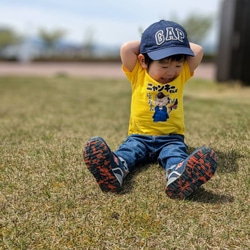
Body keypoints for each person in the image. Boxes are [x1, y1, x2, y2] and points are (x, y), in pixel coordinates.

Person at [83, 20, 217, 199]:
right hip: (139, 136)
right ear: (144, 61)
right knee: (128, 152)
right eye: (164, 65)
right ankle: (115, 170)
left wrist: (173, 45)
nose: (171, 72)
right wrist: (151, 43)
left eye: (177, 65)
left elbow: (198, 50)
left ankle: (177, 176)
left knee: (175, 155)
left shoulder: (181, 75)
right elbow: (126, 48)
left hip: (171, 138)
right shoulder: (138, 72)